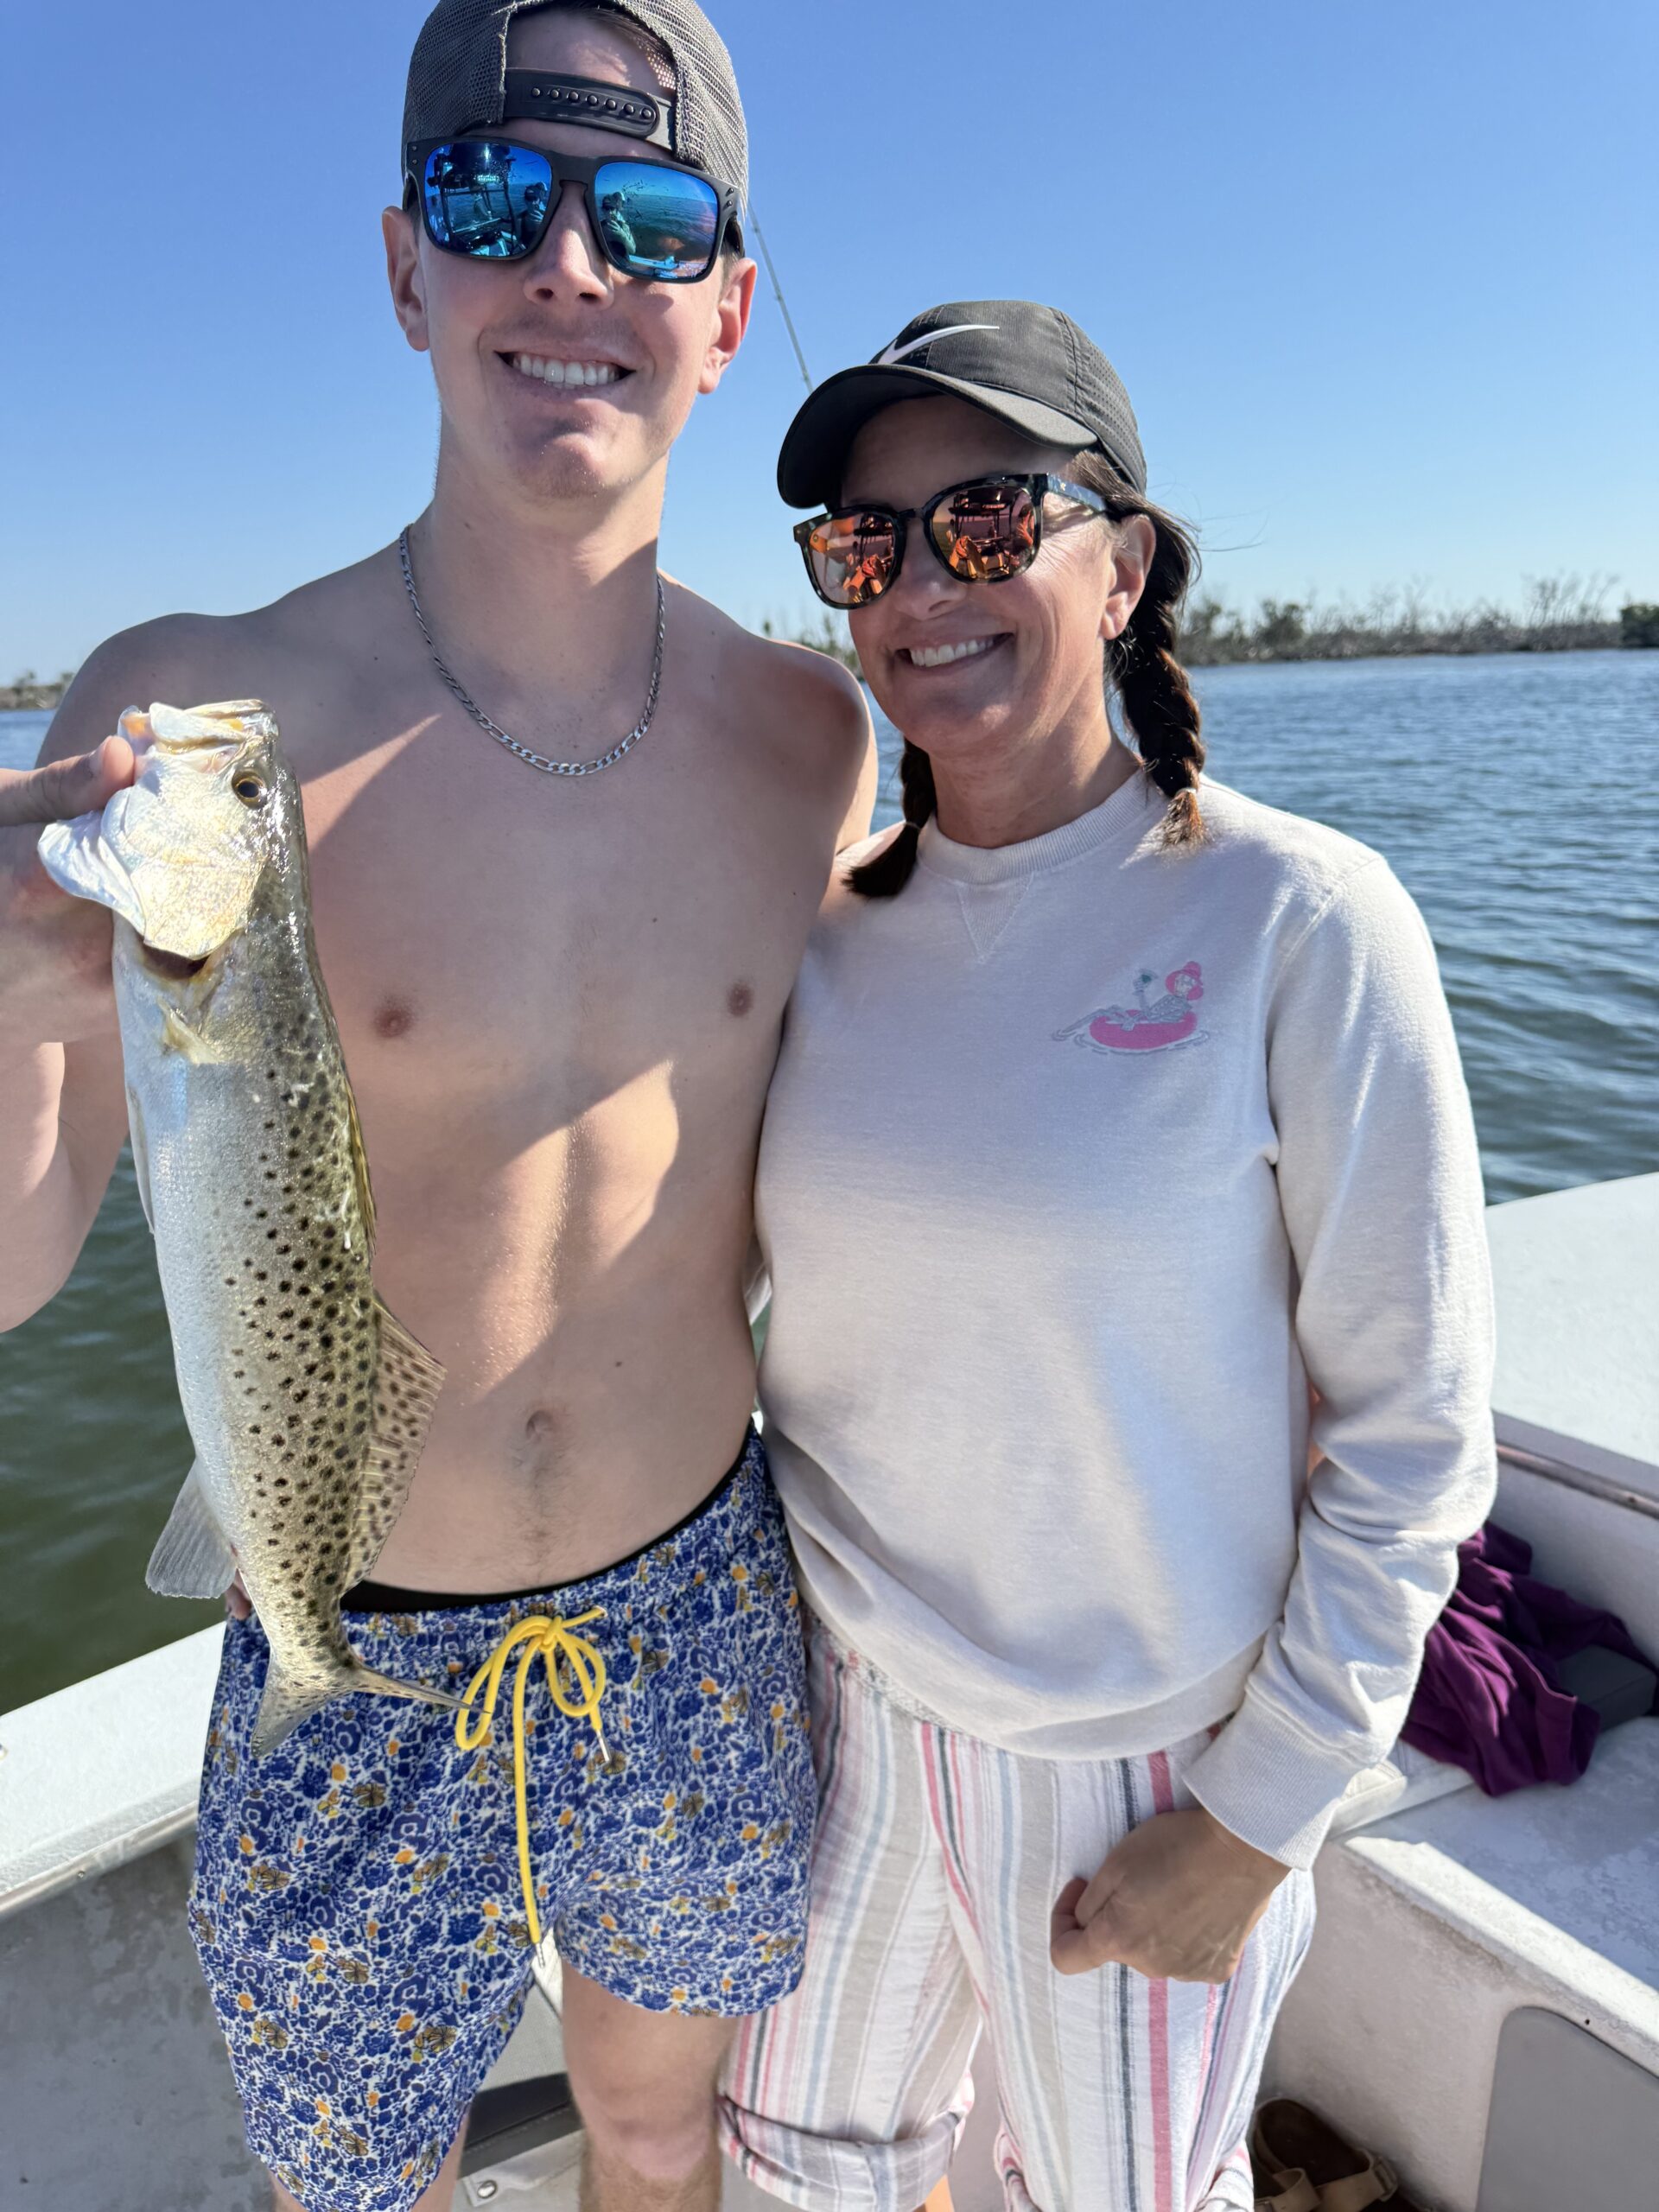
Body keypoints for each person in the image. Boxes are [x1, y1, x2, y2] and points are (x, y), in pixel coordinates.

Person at [0, 6, 873, 2210]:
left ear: (726, 311)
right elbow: (11, 1268)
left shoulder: (815, 744)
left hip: (697, 1601)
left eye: (649, 217)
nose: (572, 264)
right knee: (350, 2179)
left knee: (658, 2132)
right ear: (406, 268)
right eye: (498, 199)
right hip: (341, 1623)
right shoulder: (188, 719)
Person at [721, 303, 1497, 2211]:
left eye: (988, 522)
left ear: (1124, 565)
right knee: (800, 2173)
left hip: (1144, 1764)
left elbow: (1413, 1434)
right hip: (836, 1715)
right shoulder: (812, 935)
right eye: (866, 546)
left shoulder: (1304, 919)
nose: (922, 586)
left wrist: (1260, 1815)